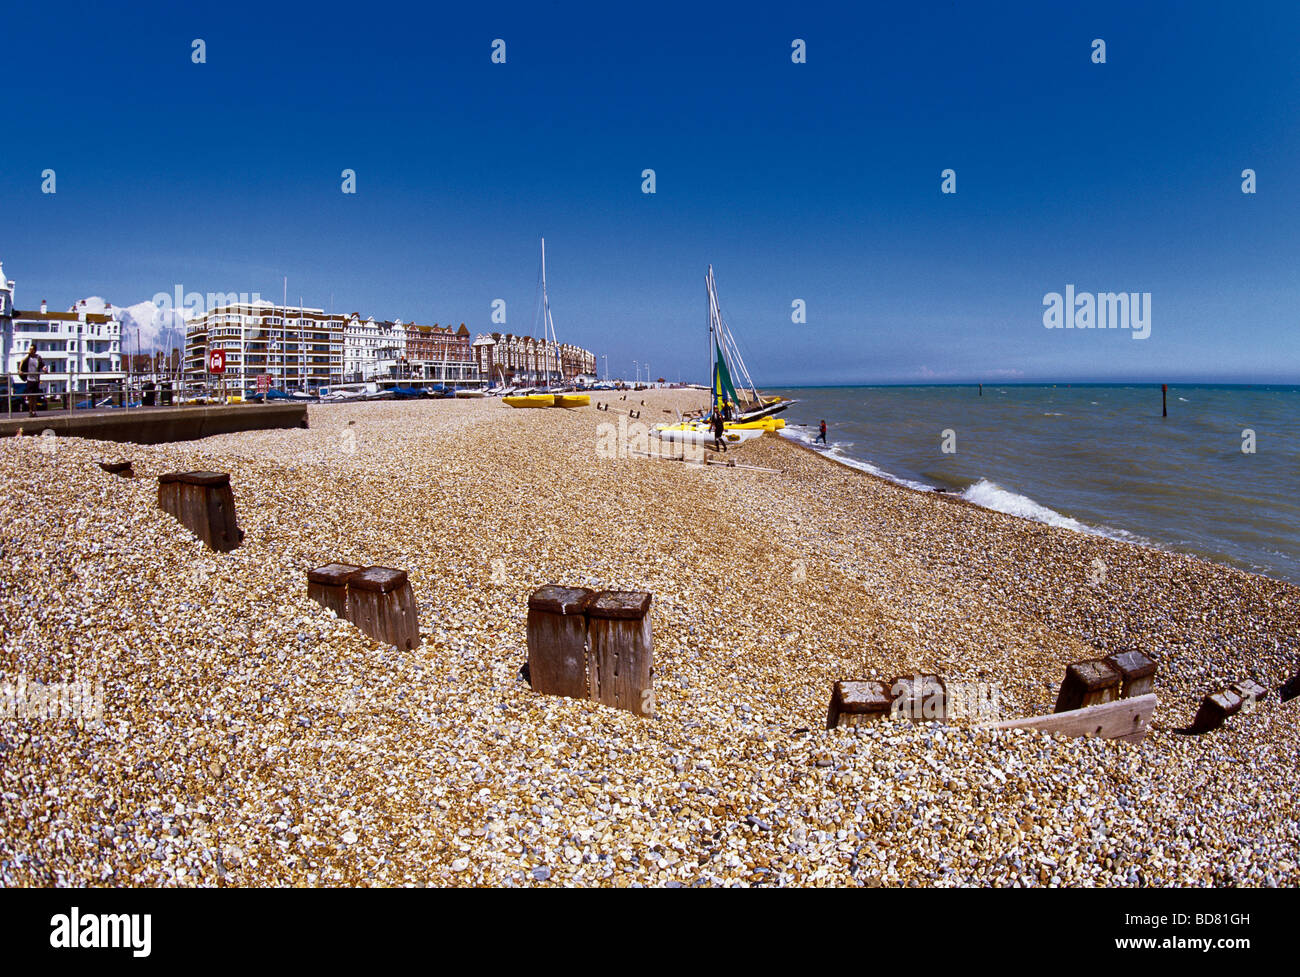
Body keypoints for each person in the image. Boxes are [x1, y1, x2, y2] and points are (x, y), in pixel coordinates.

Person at [18, 343, 46, 418]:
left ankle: (34, 411)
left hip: (36, 379)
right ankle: (30, 410)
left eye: (32, 349)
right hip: (29, 379)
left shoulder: (38, 357)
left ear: (35, 350)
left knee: (35, 396)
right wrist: (20, 370)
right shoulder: (27, 357)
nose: (30, 350)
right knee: (30, 396)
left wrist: (44, 369)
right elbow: (22, 361)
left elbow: (42, 365)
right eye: (29, 349)